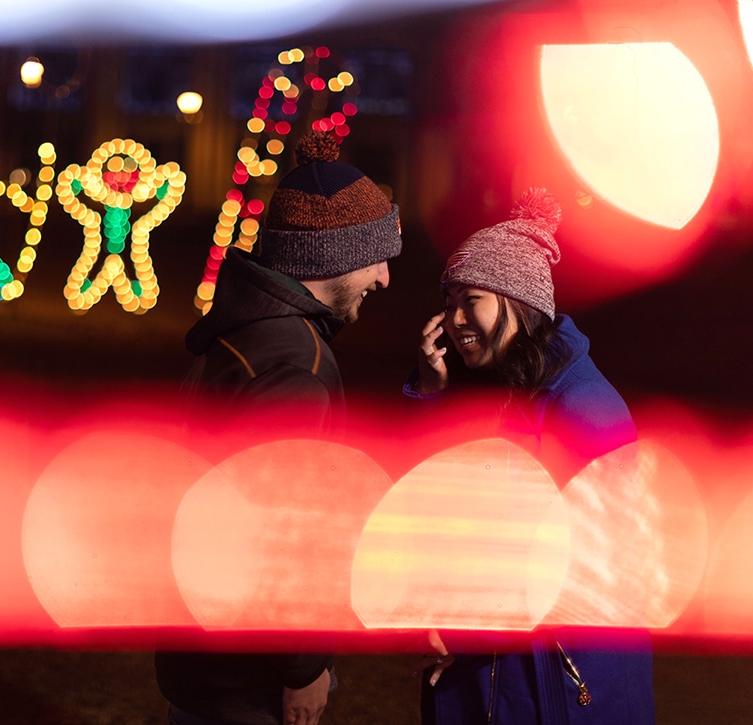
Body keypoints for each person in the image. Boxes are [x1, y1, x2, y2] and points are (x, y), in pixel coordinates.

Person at [156, 129, 403, 725]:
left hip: (201, 656)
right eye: (377, 257)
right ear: (333, 258)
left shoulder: (245, 334)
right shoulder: (296, 364)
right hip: (246, 680)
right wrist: (303, 666)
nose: (385, 279)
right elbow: (274, 528)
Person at [404, 188, 655, 724]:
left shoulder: (583, 408)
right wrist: (429, 393)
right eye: (448, 303)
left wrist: (460, 633)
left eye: (471, 299)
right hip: (515, 678)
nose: (453, 319)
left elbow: (580, 569)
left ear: (519, 302)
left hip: (566, 689)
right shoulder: (513, 393)